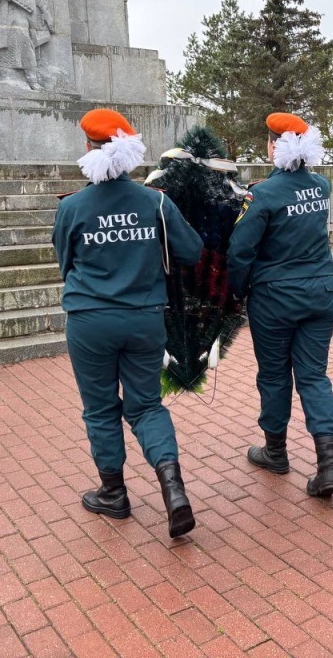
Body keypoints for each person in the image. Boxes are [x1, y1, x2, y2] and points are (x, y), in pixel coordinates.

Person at [52, 109, 204, 539]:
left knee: (101, 408)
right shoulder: (154, 201)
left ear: (87, 149)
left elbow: (65, 263)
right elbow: (190, 251)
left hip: (90, 321)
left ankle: (114, 493)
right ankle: (173, 491)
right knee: (147, 405)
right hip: (144, 318)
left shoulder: (73, 207)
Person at [227, 112, 333, 498]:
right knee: (314, 376)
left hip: (275, 299)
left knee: (274, 377)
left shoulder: (262, 194)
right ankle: (328, 466)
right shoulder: (321, 186)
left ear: (273, 146)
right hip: (320, 294)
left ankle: (275, 452)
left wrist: (237, 292)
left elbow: (240, 251)